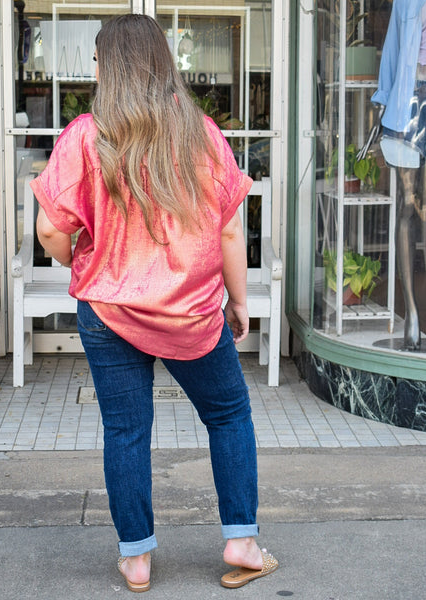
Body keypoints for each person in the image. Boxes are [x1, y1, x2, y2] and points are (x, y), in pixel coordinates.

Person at [31, 13, 278, 593]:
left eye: (95, 61)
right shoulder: (202, 133)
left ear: (108, 68)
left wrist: (79, 263)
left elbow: (48, 231)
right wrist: (238, 303)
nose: (92, 70)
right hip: (190, 312)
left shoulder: (84, 136)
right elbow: (229, 232)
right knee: (228, 416)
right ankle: (241, 540)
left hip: (108, 309)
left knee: (125, 431)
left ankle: (137, 558)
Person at [372, 0, 426, 350]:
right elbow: (393, 51)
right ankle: (411, 311)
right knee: (407, 208)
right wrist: (383, 104)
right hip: (412, 102)